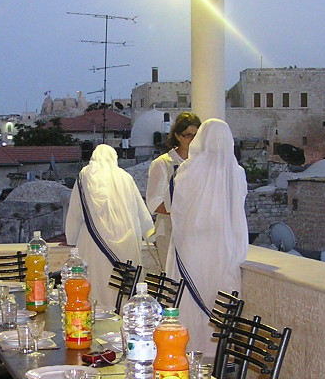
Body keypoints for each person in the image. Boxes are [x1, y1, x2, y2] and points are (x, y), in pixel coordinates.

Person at [166, 118, 248, 356]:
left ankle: (187, 350)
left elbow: (173, 205)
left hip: (192, 245)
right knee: (217, 297)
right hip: (225, 247)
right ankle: (217, 354)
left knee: (191, 299)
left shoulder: (188, 169)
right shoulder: (237, 172)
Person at [65, 144, 153, 310]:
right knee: (123, 290)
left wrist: (71, 237)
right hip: (126, 243)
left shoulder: (85, 176)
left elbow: (75, 210)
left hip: (93, 244)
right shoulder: (125, 177)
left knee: (97, 287)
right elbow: (140, 209)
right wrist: (150, 232)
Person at [145, 112, 201, 269]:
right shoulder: (163, 163)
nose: (191, 140)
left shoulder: (202, 164)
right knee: (174, 280)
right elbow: (154, 203)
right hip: (170, 232)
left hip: (197, 231)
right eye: (187, 135)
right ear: (177, 135)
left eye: (196, 135)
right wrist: (184, 210)